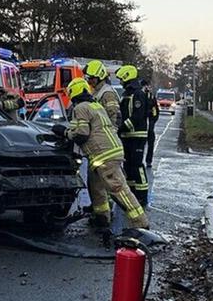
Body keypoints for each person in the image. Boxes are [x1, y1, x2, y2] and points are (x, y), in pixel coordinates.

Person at [51, 78, 148, 229]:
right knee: (97, 189)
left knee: (118, 189)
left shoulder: (81, 107)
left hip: (104, 155)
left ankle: (140, 224)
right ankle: (101, 218)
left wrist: (64, 132)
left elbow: (82, 134)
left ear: (73, 92)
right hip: (104, 153)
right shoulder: (95, 105)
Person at [115, 65, 150, 206]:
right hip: (126, 135)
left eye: (121, 79)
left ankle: (142, 196)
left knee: (137, 165)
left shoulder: (138, 94)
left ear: (127, 77)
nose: (120, 82)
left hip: (137, 135)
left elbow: (137, 116)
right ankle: (131, 193)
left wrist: (122, 127)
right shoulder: (126, 94)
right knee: (128, 165)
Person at [84, 60, 121, 125]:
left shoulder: (108, 94)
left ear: (100, 76)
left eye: (92, 78)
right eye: (88, 78)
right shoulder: (96, 91)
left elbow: (114, 117)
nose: (89, 81)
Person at [142, 80, 160, 167]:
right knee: (140, 144)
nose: (147, 88)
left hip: (149, 124)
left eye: (148, 86)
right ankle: (139, 160)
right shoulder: (139, 95)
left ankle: (149, 161)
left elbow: (155, 110)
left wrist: (153, 120)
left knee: (151, 142)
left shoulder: (151, 96)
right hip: (141, 125)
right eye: (146, 86)